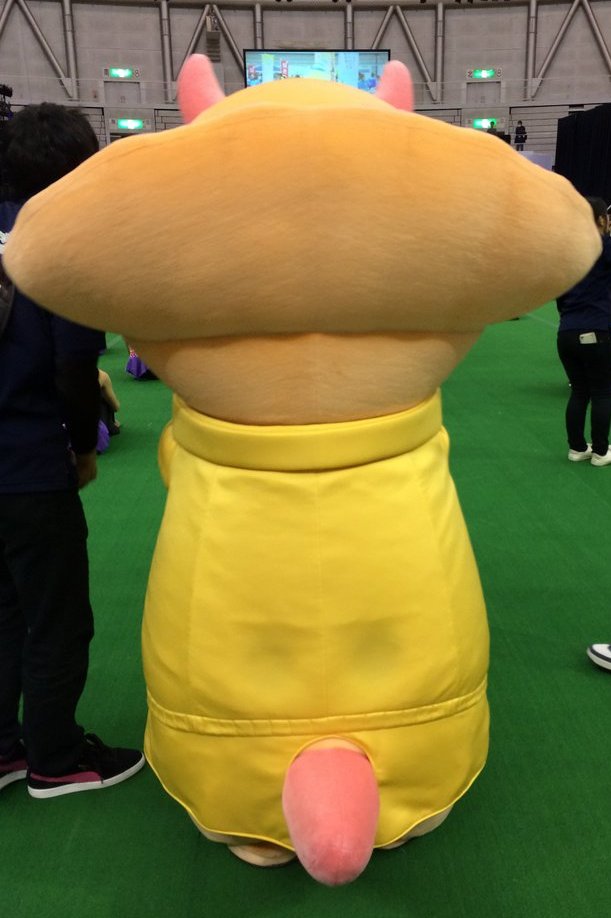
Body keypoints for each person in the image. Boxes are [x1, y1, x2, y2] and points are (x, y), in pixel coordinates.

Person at [0, 103, 144, 796]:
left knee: (4, 609)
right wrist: (83, 445)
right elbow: (74, 364)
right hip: (28, 464)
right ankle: (56, 757)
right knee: (57, 615)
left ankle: (5, 748)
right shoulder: (62, 243)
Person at [557, 196, 611, 466]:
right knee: (602, 391)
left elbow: (560, 297)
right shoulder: (605, 246)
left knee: (579, 391)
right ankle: (601, 451)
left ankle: (577, 448)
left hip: (566, 333)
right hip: (596, 330)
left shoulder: (567, 252)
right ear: (601, 219)